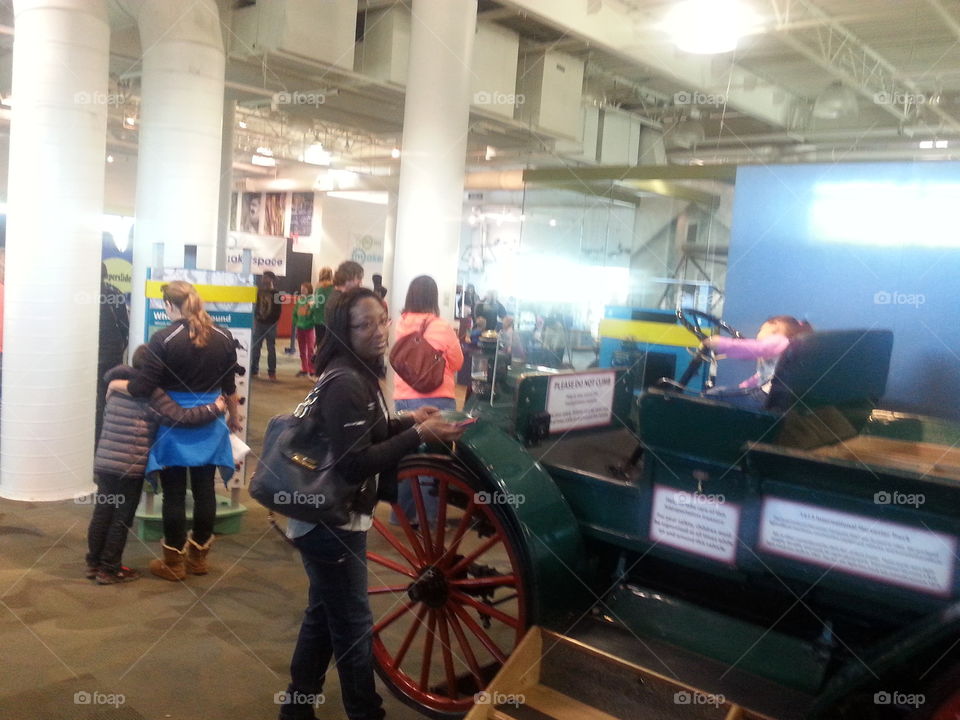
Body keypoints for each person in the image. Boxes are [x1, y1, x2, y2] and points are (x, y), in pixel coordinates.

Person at [278, 287, 462, 720]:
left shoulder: (356, 373)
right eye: (365, 325)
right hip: (331, 523)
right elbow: (354, 463)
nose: (379, 332)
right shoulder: (346, 381)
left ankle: (296, 706)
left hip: (329, 518)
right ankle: (365, 713)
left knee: (324, 617)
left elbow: (364, 433)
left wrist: (406, 421)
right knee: (353, 628)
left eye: (382, 320)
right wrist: (419, 436)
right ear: (344, 330)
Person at [128, 281, 242, 581]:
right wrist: (234, 415)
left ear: (168, 305)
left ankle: (174, 563)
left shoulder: (163, 339)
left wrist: (119, 382)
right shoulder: (224, 336)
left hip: (172, 423)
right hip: (211, 420)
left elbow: (142, 387)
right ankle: (199, 560)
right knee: (206, 491)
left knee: (174, 494)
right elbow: (230, 385)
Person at [86, 345, 225, 584]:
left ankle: (94, 563)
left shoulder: (115, 386)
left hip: (105, 461)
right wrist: (216, 407)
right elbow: (182, 417)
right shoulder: (152, 393)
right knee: (122, 516)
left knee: (103, 510)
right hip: (130, 465)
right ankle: (110, 569)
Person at [390, 276, 464, 526]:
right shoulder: (441, 326)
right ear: (433, 297)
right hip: (437, 400)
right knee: (434, 462)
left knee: (406, 457)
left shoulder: (400, 324)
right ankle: (429, 517)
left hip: (404, 400)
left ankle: (401, 515)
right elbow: (458, 363)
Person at [703, 315, 813, 410]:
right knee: (720, 392)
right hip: (769, 397)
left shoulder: (778, 340)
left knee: (713, 395)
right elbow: (762, 376)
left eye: (761, 330)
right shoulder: (783, 348)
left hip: (765, 397)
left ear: (775, 326)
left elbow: (757, 349)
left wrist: (721, 344)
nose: (758, 334)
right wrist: (743, 387)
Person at [96, 263, 129, 438]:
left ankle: (95, 436)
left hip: (89, 357)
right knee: (109, 397)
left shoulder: (80, 293)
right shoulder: (114, 293)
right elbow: (125, 326)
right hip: (112, 355)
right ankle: (108, 435)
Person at [252, 271, 282, 380]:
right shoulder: (259, 292)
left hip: (270, 325)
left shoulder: (277, 294)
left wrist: (272, 321)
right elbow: (256, 306)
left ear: (271, 279)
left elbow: (278, 311)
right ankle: (254, 370)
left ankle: (272, 372)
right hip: (259, 324)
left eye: (265, 278)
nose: (263, 280)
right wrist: (257, 317)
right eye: (263, 278)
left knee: (271, 349)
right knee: (255, 348)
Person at [323, 260, 364, 326]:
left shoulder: (338, 297)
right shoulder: (340, 301)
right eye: (358, 278)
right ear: (348, 276)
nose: (360, 282)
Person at [293, 281, 316, 378]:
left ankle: (312, 369)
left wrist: (308, 306)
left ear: (309, 290)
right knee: (302, 350)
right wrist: (295, 322)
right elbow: (295, 312)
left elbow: (310, 313)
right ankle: (304, 368)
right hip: (300, 327)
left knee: (310, 349)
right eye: (301, 289)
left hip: (309, 327)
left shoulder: (313, 300)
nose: (302, 290)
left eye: (304, 289)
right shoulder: (299, 300)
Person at [312, 266, 333, 349]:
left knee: (320, 344)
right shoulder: (335, 288)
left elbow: (317, 304)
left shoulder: (321, 288)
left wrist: (309, 307)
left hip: (320, 319)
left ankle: (320, 361)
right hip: (331, 320)